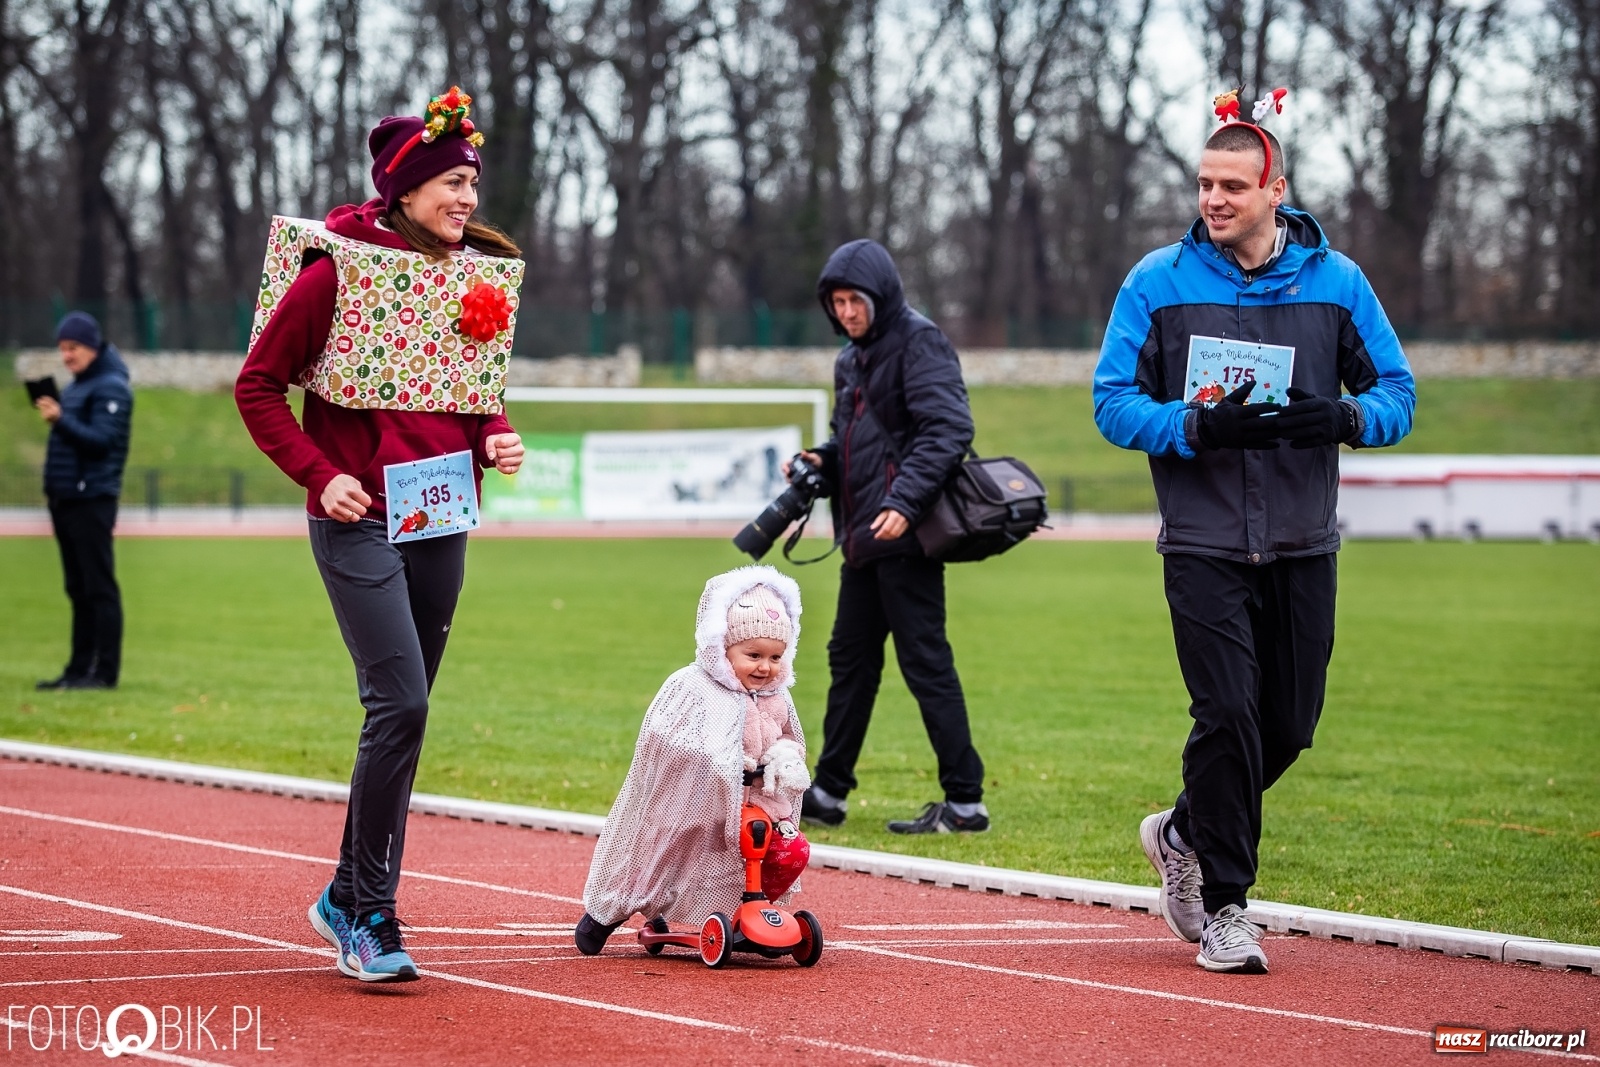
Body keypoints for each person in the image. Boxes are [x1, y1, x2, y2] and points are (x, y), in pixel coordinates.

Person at [1092, 91, 1416, 974]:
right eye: (1204, 183)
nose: (1214, 199)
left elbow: (1401, 394)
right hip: (1202, 540)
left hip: (1305, 540)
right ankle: (1230, 905)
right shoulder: (1155, 282)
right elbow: (1111, 404)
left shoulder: (1338, 282)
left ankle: (1185, 829)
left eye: (1233, 184)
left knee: (1290, 723)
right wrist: (1194, 428)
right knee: (1227, 711)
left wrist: (1343, 418)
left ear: (1277, 188)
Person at [235, 87, 525, 983]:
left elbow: (467, 395)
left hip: (440, 511)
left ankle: (344, 894)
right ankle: (371, 913)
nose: (467, 200)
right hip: (356, 514)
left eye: (471, 184)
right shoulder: (334, 273)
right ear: (402, 190)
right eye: (449, 183)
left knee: (403, 718)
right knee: (398, 704)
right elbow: (258, 387)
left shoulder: (468, 279)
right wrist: (323, 476)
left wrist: (496, 435)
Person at [791, 239, 987, 835]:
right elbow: (854, 443)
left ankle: (965, 802)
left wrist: (904, 502)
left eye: (856, 300)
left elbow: (949, 429)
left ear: (882, 296)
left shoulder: (918, 341)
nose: (847, 312)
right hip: (863, 538)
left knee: (925, 662)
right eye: (837, 302)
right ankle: (826, 792)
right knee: (848, 662)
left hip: (906, 534)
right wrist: (820, 463)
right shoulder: (850, 359)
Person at [575, 566, 812, 954]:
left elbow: (789, 738)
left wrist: (784, 759)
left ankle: (751, 908)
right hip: (694, 801)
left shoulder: (776, 697)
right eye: (752, 655)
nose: (764, 667)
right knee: (659, 855)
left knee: (789, 849)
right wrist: (721, 762)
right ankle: (607, 912)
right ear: (722, 647)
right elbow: (666, 738)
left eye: (774, 657)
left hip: (759, 806)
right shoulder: (692, 686)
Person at [34, 311, 133, 691]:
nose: (66, 356)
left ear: (91, 346)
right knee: (77, 587)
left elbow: (102, 442)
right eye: (61, 348)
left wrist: (60, 419)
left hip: (92, 497)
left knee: (98, 586)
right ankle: (77, 670)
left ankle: (104, 672)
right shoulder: (77, 386)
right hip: (66, 499)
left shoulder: (112, 387)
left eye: (72, 348)